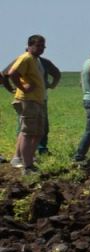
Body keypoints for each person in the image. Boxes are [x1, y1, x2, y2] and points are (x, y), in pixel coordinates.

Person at [5, 34, 49, 172]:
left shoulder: (35, 60)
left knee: (38, 132)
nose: (41, 48)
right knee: (28, 133)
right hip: (27, 100)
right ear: (30, 46)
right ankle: (27, 166)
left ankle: (29, 160)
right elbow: (12, 73)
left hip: (37, 100)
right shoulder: (26, 58)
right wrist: (23, 88)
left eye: (43, 46)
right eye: (38, 45)